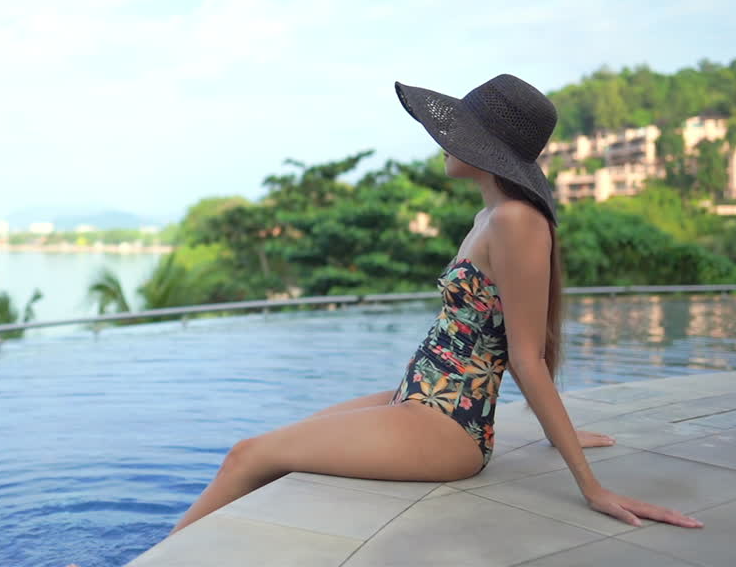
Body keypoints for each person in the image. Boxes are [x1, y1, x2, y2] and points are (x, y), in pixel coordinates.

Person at [157, 74, 704, 541]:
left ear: (485, 150)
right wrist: (557, 426)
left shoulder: (518, 222)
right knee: (263, 462)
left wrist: (591, 485)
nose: (444, 141)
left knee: (247, 455)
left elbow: (526, 356)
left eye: (457, 134)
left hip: (447, 426)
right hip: (417, 399)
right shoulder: (488, 217)